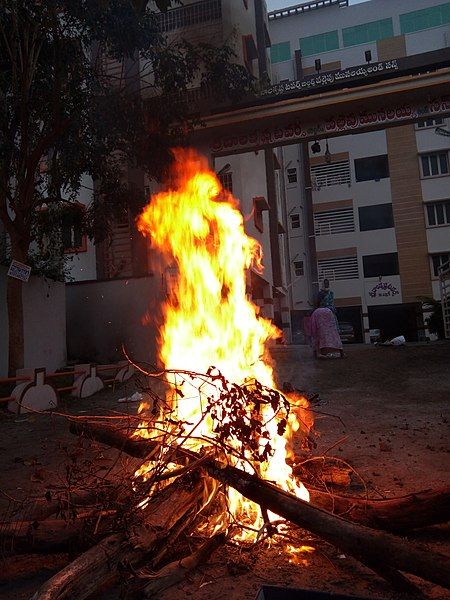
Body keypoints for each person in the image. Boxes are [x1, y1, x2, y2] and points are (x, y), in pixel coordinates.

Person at [310, 279, 344, 358]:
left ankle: (316, 352)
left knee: (317, 333)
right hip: (329, 312)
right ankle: (341, 352)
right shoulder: (331, 293)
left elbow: (316, 304)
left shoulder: (319, 294)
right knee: (333, 332)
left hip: (319, 312)